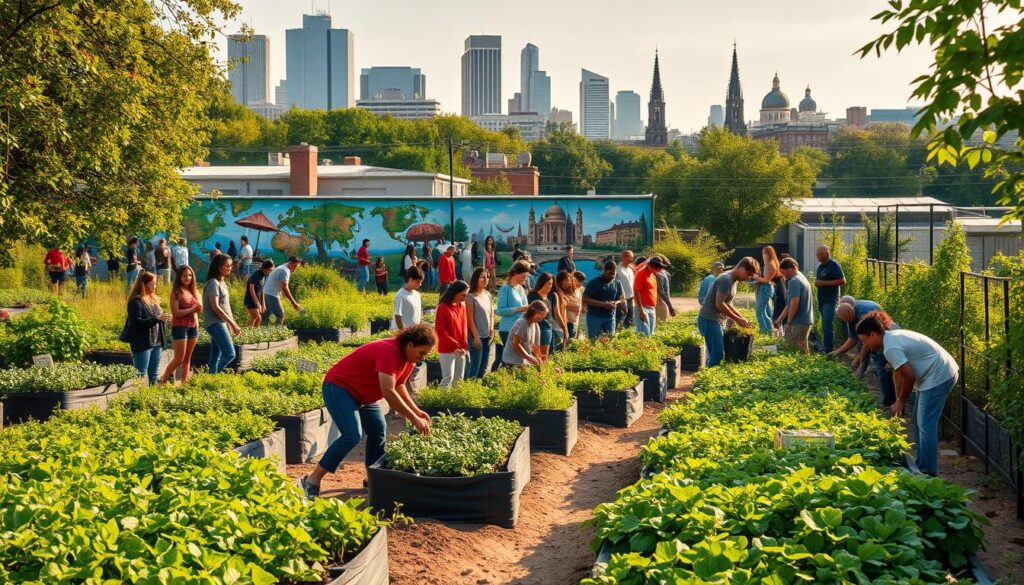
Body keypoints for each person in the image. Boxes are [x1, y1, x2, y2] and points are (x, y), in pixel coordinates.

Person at [300, 325, 436, 499]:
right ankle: (312, 480)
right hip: (340, 388)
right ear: (410, 344)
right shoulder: (389, 352)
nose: (422, 358)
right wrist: (413, 418)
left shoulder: (408, 360)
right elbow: (388, 391)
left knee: (378, 431)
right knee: (352, 435)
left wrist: (416, 411)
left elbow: (399, 385)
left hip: (363, 395)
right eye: (422, 352)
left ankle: (373, 479)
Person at [856, 313, 958, 476]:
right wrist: (897, 400)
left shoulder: (891, 347)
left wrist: (901, 402)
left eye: (864, 340)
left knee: (926, 425)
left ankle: (928, 471)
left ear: (873, 334)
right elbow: (899, 373)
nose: (864, 345)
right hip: (934, 373)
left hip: (939, 375)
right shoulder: (890, 339)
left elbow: (909, 377)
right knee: (919, 423)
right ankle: (921, 464)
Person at [830, 298, 898, 407]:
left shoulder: (864, 313)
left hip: (888, 337)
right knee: (881, 367)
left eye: (847, 318)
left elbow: (868, 341)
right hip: (880, 339)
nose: (847, 321)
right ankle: (892, 401)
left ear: (851, 311)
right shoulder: (850, 317)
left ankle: (890, 403)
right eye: (844, 320)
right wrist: (839, 351)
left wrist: (860, 360)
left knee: (884, 369)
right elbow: (853, 338)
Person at [697, 257, 759, 367]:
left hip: (716, 320)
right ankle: (708, 381)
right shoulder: (726, 279)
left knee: (716, 354)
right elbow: (719, 304)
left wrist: (741, 317)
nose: (748, 278)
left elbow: (728, 303)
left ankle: (710, 377)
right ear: (742, 269)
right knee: (717, 355)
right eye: (749, 274)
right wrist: (736, 318)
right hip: (709, 319)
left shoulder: (733, 280)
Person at [159, 266, 203, 385]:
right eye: (184, 275)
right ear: (179, 277)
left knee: (187, 358)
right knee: (179, 359)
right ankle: (162, 381)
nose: (187, 278)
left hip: (193, 327)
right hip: (180, 327)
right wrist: (193, 309)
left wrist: (197, 314)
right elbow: (176, 313)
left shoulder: (194, 291)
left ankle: (184, 384)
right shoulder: (176, 291)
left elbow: (199, 309)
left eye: (189, 275)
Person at [125, 272, 169, 385]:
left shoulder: (154, 300)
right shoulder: (136, 302)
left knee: (154, 374)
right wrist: (157, 318)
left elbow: (158, 320)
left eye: (155, 284)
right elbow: (137, 323)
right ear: (143, 284)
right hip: (142, 343)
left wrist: (165, 319)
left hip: (157, 342)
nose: (154, 287)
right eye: (151, 284)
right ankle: (136, 398)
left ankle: (152, 399)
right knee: (140, 373)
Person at [203, 254, 241, 374]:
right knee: (230, 353)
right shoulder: (213, 283)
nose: (230, 268)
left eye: (230, 265)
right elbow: (215, 307)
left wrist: (232, 322)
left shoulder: (222, 282)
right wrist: (232, 324)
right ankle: (213, 377)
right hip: (215, 323)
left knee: (215, 356)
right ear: (218, 267)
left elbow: (226, 307)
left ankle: (209, 381)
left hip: (220, 323)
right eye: (227, 265)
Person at [772, 258, 813, 353]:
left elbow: (794, 302)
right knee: (803, 351)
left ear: (791, 269)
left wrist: (789, 323)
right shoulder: (802, 277)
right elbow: (789, 304)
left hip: (798, 323)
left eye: (783, 272)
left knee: (793, 352)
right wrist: (779, 319)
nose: (783, 275)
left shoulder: (794, 281)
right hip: (805, 321)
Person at [435, 281, 470, 387]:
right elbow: (440, 330)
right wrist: (455, 345)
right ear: (455, 292)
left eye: (466, 295)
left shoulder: (462, 307)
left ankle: (456, 402)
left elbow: (464, 328)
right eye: (463, 295)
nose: (464, 298)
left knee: (459, 378)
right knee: (447, 378)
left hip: (460, 348)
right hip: (447, 348)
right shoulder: (443, 307)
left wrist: (464, 346)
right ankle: (443, 403)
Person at [815, 244, 846, 353]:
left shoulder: (833, 264)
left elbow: (842, 281)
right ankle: (826, 347)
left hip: (831, 299)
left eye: (819, 255)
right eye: (816, 254)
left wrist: (822, 283)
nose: (817, 257)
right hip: (822, 299)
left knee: (827, 325)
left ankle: (828, 350)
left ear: (827, 254)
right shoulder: (821, 267)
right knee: (825, 324)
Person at [583, 261, 625, 339]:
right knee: (594, 340)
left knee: (610, 339)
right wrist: (603, 304)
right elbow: (585, 299)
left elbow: (622, 298)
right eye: (610, 273)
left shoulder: (617, 283)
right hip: (595, 317)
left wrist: (615, 303)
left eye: (614, 274)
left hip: (610, 316)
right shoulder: (594, 283)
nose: (612, 276)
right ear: (604, 271)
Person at [465, 268, 495, 379]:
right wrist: (476, 337)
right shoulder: (470, 297)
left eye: (487, 277)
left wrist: (491, 329)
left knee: (484, 366)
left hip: (487, 336)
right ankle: (470, 389)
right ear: (476, 279)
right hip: (476, 336)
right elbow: (470, 319)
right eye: (482, 277)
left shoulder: (488, 295)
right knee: (475, 366)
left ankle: (479, 388)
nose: (486, 279)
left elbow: (491, 314)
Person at [496, 261, 531, 351]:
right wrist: (519, 309)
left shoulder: (520, 288)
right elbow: (500, 311)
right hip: (508, 329)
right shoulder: (506, 288)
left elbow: (525, 307)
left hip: (519, 329)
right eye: (524, 276)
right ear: (515, 274)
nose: (525, 279)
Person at [501, 300, 547, 367]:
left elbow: (536, 347)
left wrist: (539, 358)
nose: (541, 318)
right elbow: (515, 343)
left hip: (524, 360)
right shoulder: (522, 322)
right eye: (540, 315)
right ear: (532, 312)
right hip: (512, 360)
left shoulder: (536, 325)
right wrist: (529, 357)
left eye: (543, 316)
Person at [262, 256, 303, 326]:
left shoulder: (282, 267)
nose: (294, 269)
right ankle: (277, 333)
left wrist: (282, 295)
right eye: (295, 266)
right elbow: (285, 287)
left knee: (266, 315)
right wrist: (294, 303)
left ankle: (262, 333)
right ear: (290, 263)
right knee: (280, 314)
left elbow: (281, 286)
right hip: (271, 294)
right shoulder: (284, 270)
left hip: (267, 292)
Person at [528, 273, 560, 358]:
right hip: (539, 327)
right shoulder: (533, 296)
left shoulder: (550, 296)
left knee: (548, 355)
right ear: (541, 283)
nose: (549, 286)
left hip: (549, 327)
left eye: (551, 284)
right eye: (547, 284)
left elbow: (555, 314)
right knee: (541, 356)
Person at [634, 257, 667, 337]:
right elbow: (636, 291)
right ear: (650, 266)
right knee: (645, 334)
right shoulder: (640, 273)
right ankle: (641, 348)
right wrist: (640, 309)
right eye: (658, 268)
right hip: (643, 308)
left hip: (651, 308)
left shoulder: (652, 274)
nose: (659, 271)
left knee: (650, 334)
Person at [754, 246, 781, 334]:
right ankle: (768, 330)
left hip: (766, 288)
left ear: (768, 254)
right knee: (766, 310)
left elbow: (766, 280)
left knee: (760, 311)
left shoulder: (770, 264)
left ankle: (765, 331)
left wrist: (756, 277)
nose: (763, 255)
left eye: (764, 253)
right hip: (765, 287)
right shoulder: (769, 263)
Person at [392, 266, 424, 330]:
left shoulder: (417, 294)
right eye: (418, 281)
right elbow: (398, 317)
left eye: (421, 282)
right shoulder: (400, 295)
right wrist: (403, 332)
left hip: (414, 332)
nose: (420, 284)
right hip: (404, 334)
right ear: (410, 279)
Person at [244, 260, 274, 327]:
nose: (272, 271)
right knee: (255, 317)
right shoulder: (257, 275)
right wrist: (257, 302)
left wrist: (263, 304)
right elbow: (251, 289)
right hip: (250, 300)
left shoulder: (264, 275)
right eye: (271, 269)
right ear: (266, 269)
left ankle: (253, 334)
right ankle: (247, 334)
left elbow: (262, 290)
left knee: (258, 318)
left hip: (257, 300)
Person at [557, 270, 583, 342]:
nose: (567, 282)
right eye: (564, 280)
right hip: (563, 323)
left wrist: (577, 308)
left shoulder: (577, 291)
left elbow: (578, 306)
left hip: (574, 322)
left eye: (568, 280)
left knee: (571, 342)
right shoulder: (559, 293)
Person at [616, 250, 637, 330]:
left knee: (629, 317)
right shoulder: (617, 269)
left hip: (630, 297)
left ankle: (628, 333)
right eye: (630, 258)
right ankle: (618, 333)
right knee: (620, 317)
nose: (632, 259)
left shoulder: (630, 269)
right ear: (623, 257)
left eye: (632, 258)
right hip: (621, 298)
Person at [654, 255, 677, 324]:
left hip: (661, 301)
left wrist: (670, 307)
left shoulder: (661, 274)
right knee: (660, 322)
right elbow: (662, 292)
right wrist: (670, 307)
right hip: (660, 302)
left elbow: (662, 292)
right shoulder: (662, 274)